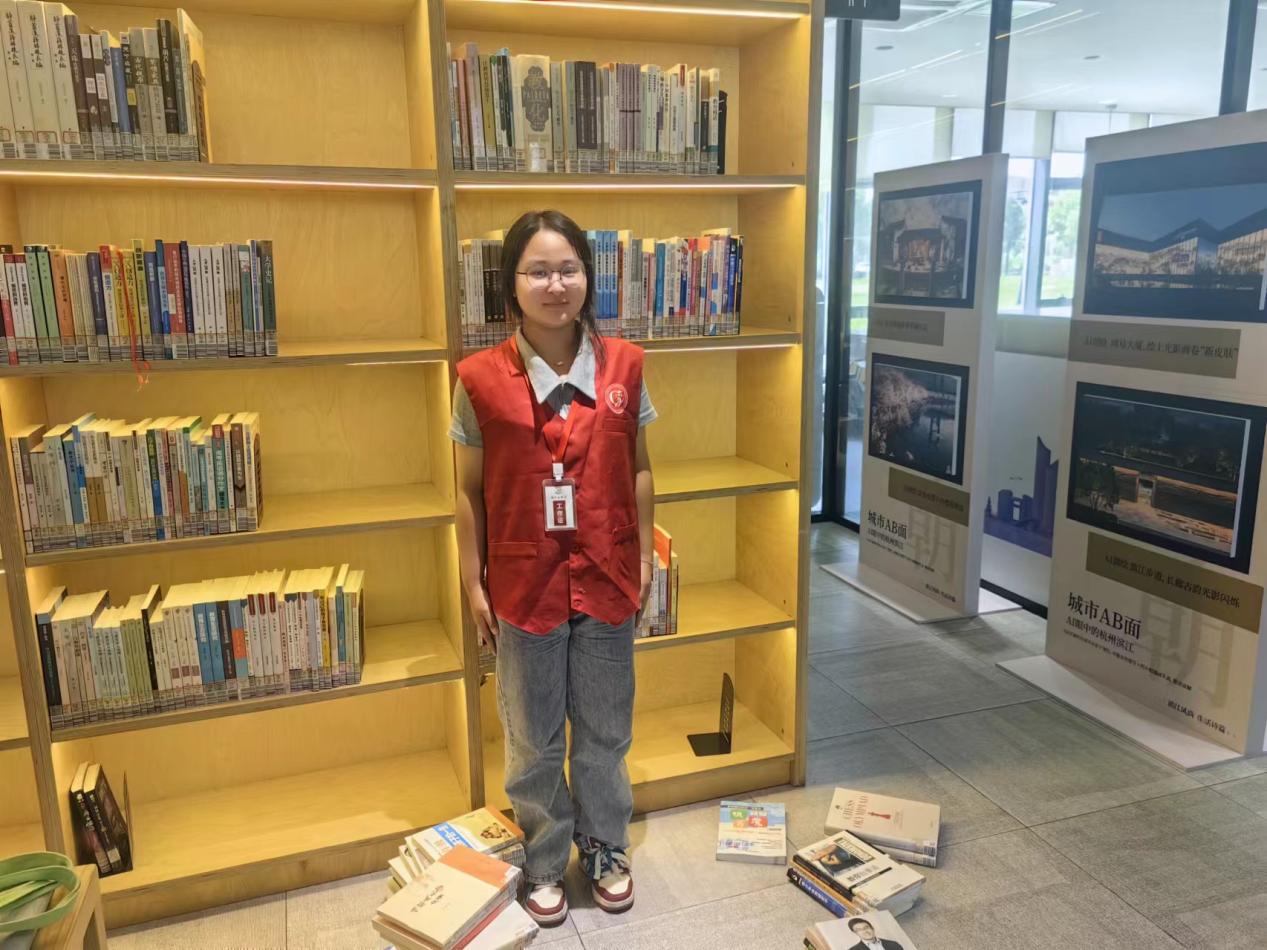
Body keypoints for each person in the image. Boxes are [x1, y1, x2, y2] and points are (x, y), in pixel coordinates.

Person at [450, 210, 656, 927]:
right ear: (511, 284)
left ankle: (604, 845)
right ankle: (543, 857)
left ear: (587, 278)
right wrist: (471, 579)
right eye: (537, 271)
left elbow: (639, 467)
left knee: (605, 730)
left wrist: (644, 553)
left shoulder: (626, 366)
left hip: (607, 576)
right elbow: (467, 490)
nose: (555, 284)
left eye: (568, 269)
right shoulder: (477, 380)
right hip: (523, 583)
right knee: (532, 736)